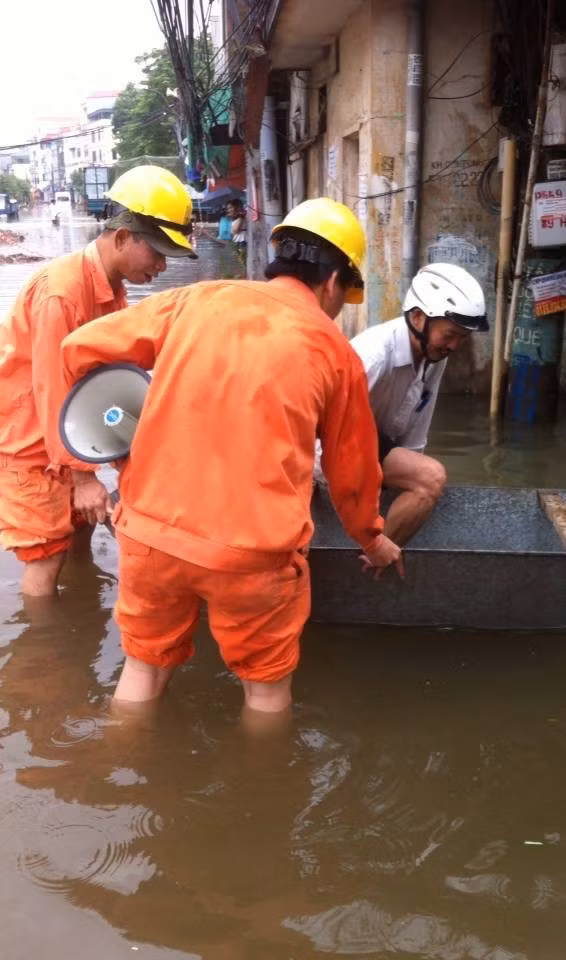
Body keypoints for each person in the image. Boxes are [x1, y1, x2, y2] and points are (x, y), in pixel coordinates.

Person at [59, 197, 403, 716]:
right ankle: (264, 791)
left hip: (150, 535)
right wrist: (373, 540)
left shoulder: (195, 300)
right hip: (252, 555)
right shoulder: (335, 352)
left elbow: (78, 350)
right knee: (265, 690)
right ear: (333, 282)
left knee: (143, 670)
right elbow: (352, 475)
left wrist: (129, 425)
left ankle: (118, 770)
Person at [0, 164, 196, 597]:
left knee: (81, 533)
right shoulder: (62, 293)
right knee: (45, 554)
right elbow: (53, 387)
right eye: (159, 253)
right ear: (122, 237)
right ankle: (47, 657)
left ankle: (84, 609)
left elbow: (109, 382)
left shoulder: (113, 290)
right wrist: (85, 478)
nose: (163, 267)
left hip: (70, 440)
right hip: (32, 446)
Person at [349, 262, 488, 545]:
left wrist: (406, 477)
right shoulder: (373, 356)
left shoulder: (433, 357)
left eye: (461, 338)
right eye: (450, 334)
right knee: (430, 476)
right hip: (340, 448)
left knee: (425, 476)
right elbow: (329, 431)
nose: (454, 346)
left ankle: (373, 557)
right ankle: (373, 554)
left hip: (374, 447)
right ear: (417, 318)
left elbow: (413, 442)